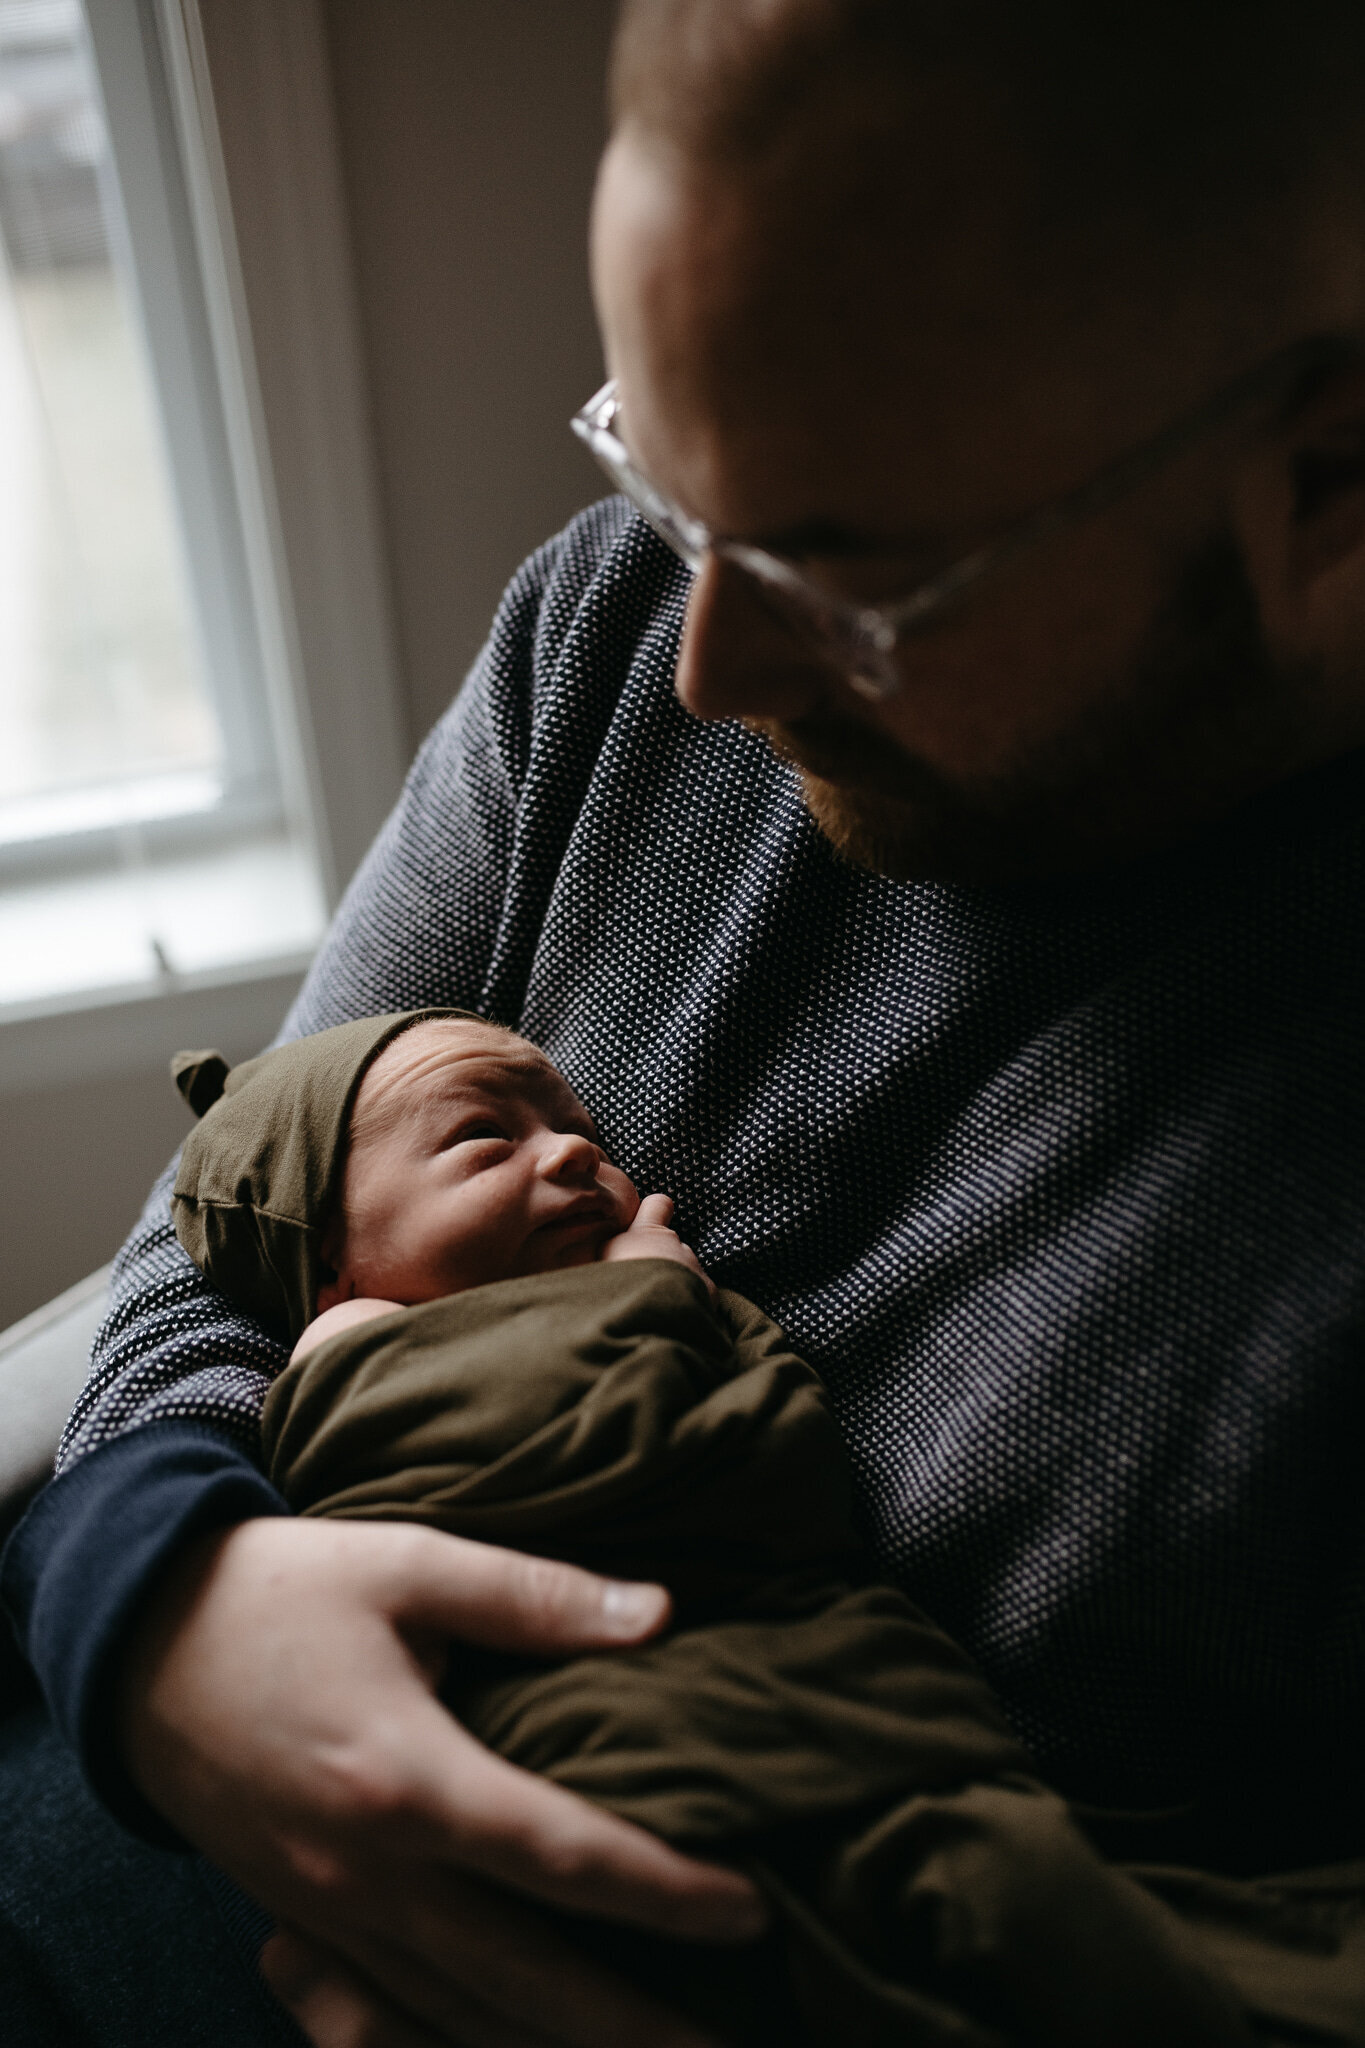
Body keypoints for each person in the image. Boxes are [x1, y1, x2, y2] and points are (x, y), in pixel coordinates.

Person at [3, 1, 1364, 2043]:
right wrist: (167, 1621)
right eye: (657, 466)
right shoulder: (608, 634)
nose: (706, 668)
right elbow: (224, 1230)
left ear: (1323, 480)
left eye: (844, 576)